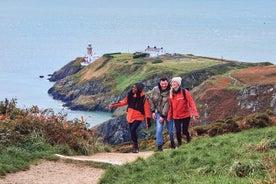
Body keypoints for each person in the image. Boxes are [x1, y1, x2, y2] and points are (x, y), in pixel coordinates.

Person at [109, 82, 151, 153]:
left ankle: (135, 146)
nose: (133, 89)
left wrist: (148, 122)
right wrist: (113, 105)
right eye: (133, 87)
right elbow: (123, 102)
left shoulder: (144, 98)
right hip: (130, 117)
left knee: (132, 130)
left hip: (138, 117)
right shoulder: (130, 95)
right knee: (132, 131)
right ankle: (134, 146)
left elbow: (147, 111)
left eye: (135, 88)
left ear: (139, 89)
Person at [168, 77, 199, 146]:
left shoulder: (185, 92)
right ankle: (180, 145)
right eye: (172, 82)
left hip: (186, 115)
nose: (172, 84)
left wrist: (195, 113)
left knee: (185, 131)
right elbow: (171, 107)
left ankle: (188, 139)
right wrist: (169, 116)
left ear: (178, 84)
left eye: (174, 82)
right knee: (178, 131)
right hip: (176, 116)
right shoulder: (170, 94)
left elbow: (191, 103)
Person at [149, 77, 175, 151]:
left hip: (169, 114)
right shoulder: (155, 89)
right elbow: (151, 100)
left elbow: (168, 104)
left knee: (170, 130)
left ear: (168, 83)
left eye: (165, 84)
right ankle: (159, 146)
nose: (164, 85)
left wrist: (163, 116)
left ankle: (172, 143)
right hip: (158, 113)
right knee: (159, 129)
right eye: (162, 84)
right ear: (160, 83)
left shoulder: (171, 91)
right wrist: (153, 111)